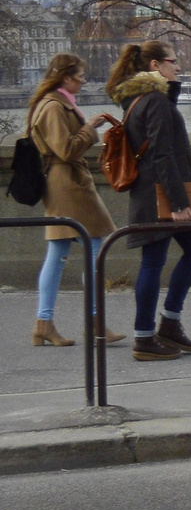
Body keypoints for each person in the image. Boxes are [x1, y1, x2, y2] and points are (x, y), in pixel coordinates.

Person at [106, 41, 191, 362]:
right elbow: (163, 154)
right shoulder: (154, 101)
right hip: (160, 196)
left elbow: (162, 132)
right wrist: (179, 203)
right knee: (154, 262)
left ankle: (168, 325)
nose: (178, 67)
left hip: (150, 192)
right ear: (154, 66)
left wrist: (172, 89)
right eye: (172, 62)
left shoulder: (139, 99)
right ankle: (146, 337)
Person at [27, 54, 121, 348]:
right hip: (67, 185)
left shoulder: (54, 103)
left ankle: (45, 323)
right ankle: (94, 321)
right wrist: (90, 128)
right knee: (92, 246)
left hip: (63, 183)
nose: (83, 80)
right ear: (65, 78)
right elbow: (66, 150)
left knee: (58, 252)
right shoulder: (55, 106)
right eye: (79, 75)